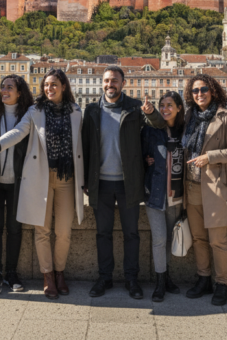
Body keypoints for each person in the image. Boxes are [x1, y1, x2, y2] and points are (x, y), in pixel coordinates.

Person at [0, 69, 84, 300]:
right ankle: (48, 276)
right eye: (46, 85)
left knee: (64, 231)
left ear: (64, 86)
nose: (49, 88)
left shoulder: (76, 112)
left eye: (54, 84)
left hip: (67, 178)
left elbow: (82, 147)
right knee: (42, 229)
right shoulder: (35, 111)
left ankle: (60, 272)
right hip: (41, 176)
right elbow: (18, 131)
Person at [82, 66, 165, 300]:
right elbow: (85, 146)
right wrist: (86, 181)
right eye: (107, 81)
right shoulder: (92, 110)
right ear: (102, 83)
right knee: (103, 234)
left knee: (132, 234)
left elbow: (158, 125)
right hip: (100, 183)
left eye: (115, 81)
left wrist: (151, 112)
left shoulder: (135, 107)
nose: (111, 85)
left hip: (129, 182)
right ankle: (104, 278)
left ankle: (132, 279)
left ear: (123, 83)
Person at [182, 74, 227, 307]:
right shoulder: (189, 116)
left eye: (204, 89)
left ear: (213, 91)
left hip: (216, 186)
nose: (199, 94)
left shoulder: (225, 116)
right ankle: (203, 278)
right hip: (191, 185)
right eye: (195, 91)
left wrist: (210, 157)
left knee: (218, 240)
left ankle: (222, 284)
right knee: (198, 238)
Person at [0, 75, 33, 294]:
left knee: (14, 229)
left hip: (19, 181)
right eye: (2, 86)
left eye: (10, 87)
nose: (5, 90)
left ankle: (11, 272)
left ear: (20, 92)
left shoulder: (29, 115)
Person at [142, 91, 185, 302]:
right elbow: (139, 152)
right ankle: (159, 282)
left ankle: (166, 276)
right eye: (162, 105)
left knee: (169, 238)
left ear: (178, 108)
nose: (165, 109)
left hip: (176, 194)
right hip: (155, 192)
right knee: (159, 238)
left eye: (170, 105)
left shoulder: (185, 130)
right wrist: (146, 160)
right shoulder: (151, 128)